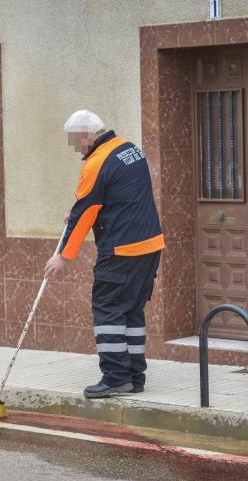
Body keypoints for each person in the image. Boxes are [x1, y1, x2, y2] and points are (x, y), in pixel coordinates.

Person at [44, 110, 165, 398]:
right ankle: (135, 376)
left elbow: (86, 210)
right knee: (131, 311)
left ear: (87, 136)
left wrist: (62, 256)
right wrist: (77, 209)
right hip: (149, 246)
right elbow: (107, 196)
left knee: (108, 311)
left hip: (121, 250)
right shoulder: (130, 150)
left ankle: (115, 378)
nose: (76, 148)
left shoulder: (96, 162)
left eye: (75, 141)